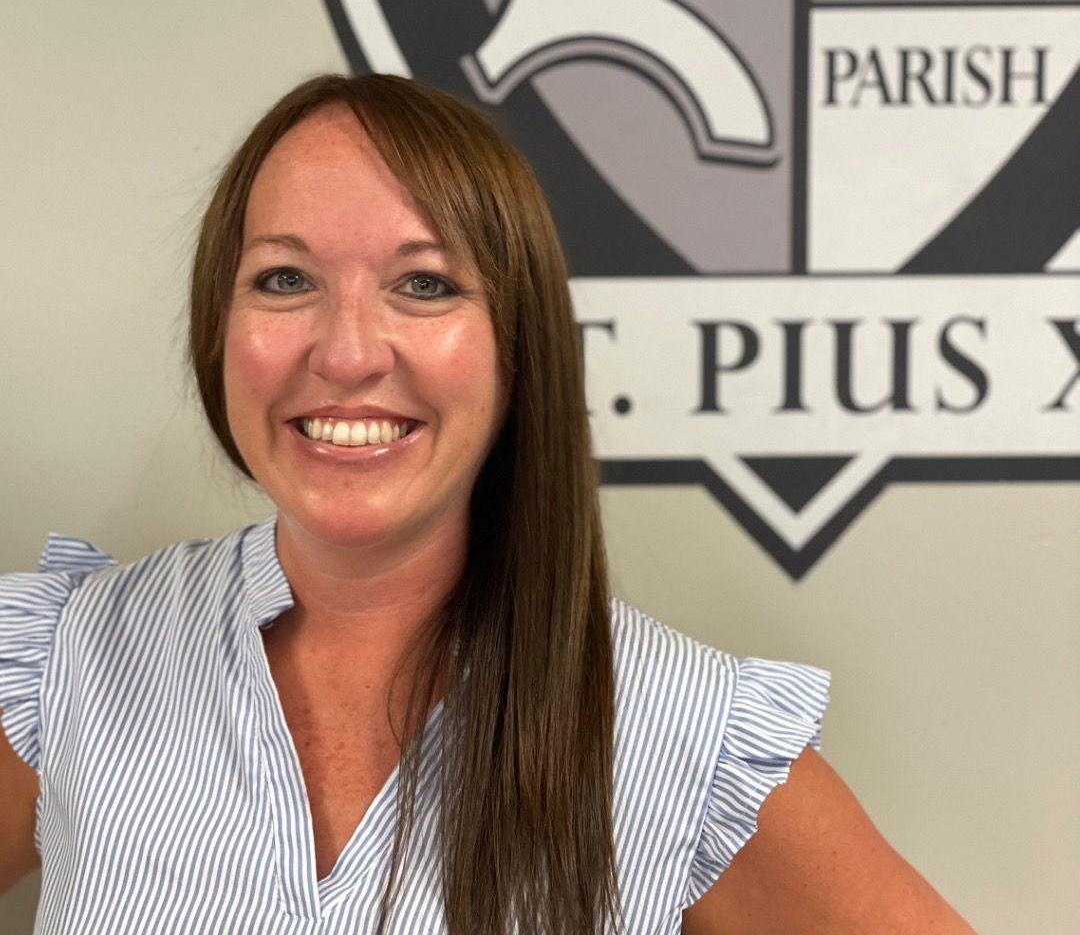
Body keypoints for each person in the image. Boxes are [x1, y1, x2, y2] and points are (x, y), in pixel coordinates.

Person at [0, 74, 973, 933]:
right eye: (284, 279)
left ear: (517, 347)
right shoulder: (73, 662)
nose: (346, 353)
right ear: (220, 330)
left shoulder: (679, 730)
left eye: (424, 284)